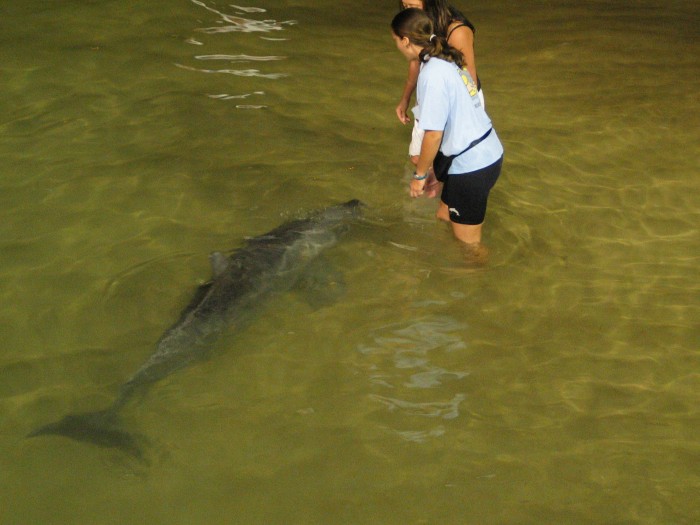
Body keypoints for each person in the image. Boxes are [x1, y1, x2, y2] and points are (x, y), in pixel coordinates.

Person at [391, 8, 503, 253]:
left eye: (396, 41)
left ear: (406, 41)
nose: (396, 46)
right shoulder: (445, 60)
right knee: (443, 217)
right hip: (480, 154)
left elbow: (434, 134)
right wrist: (438, 174)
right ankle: (445, 271)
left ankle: (479, 282)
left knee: (469, 248)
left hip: (473, 165)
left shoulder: (432, 74)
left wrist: (420, 176)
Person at [395, 0, 482, 176]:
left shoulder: (457, 30)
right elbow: (415, 60)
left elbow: (467, 81)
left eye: (412, 6)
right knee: (417, 158)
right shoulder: (417, 22)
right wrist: (405, 99)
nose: (409, 11)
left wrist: (446, 124)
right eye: (405, 7)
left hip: (460, 102)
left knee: (448, 164)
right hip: (430, 98)